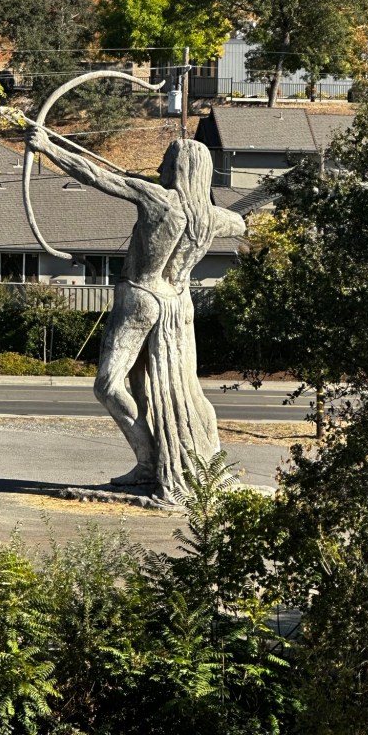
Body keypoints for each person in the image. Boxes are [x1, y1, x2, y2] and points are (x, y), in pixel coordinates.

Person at [28, 126, 246, 501]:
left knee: (108, 385)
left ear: (179, 168)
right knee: (160, 387)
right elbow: (240, 223)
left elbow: (95, 175)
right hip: (177, 305)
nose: (159, 168)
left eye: (166, 162)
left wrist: (47, 146)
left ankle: (148, 461)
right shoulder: (211, 217)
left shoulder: (157, 198)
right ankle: (175, 460)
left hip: (141, 296)